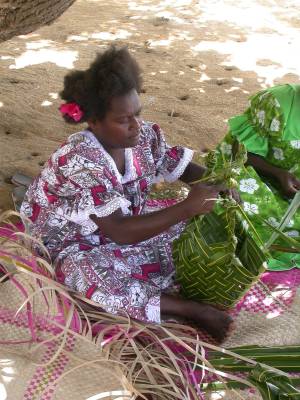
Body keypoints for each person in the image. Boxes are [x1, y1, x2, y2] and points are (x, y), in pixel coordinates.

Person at [20, 46, 234, 343]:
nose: (136, 126)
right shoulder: (79, 161)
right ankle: (189, 309)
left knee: (185, 232)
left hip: (118, 232)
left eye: (138, 113)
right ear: (93, 122)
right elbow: (120, 231)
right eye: (123, 120)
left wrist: (218, 183)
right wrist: (188, 206)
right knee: (80, 278)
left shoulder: (142, 136)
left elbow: (182, 167)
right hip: (71, 245)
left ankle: (152, 296)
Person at [216, 84, 300, 271]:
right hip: (256, 177)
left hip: (291, 191)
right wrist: (279, 174)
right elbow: (241, 154)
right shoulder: (276, 103)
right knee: (233, 203)